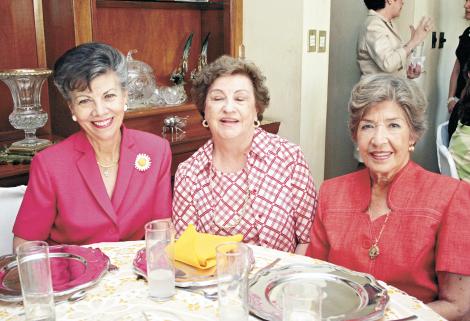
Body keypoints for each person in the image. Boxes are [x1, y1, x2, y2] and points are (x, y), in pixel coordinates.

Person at [307, 74, 470, 320]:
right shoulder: (332, 193)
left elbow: (458, 306)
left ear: (413, 135)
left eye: (393, 125)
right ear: (355, 135)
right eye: (367, 126)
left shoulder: (450, 197)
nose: (378, 140)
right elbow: (315, 278)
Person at [12, 42, 172, 248]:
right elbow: (25, 244)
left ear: (125, 97)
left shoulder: (156, 150)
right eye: (85, 101)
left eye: (109, 96)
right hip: (72, 275)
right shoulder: (49, 164)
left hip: (135, 276)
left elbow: (161, 228)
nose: (99, 111)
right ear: (72, 108)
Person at [172, 55, 317, 254]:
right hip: (215, 283)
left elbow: (308, 239)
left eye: (240, 99)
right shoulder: (188, 174)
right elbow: (186, 251)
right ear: (204, 109)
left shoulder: (289, 158)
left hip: (282, 280)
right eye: (217, 98)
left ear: (256, 109)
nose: (228, 108)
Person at [357, 0, 432, 79]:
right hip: (378, 90)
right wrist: (413, 42)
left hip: (390, 88)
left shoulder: (388, 23)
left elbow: (394, 61)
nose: (403, 2)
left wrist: (407, 72)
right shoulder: (373, 25)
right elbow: (388, 64)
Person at [447, 0, 470, 113]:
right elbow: (457, 69)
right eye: (466, 1)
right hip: (458, 102)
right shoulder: (467, 33)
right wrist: (451, 99)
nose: (465, 5)